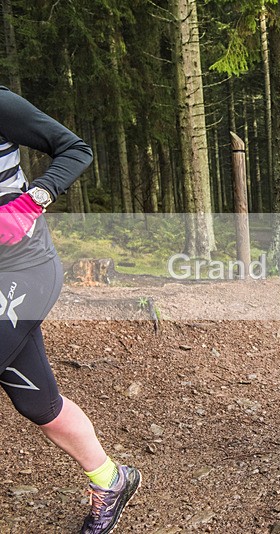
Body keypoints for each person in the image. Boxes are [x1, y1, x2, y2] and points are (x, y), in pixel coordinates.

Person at [0, 87, 140, 532]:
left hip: (24, 267)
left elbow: (75, 149)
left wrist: (29, 202)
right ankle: (111, 479)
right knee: (38, 402)